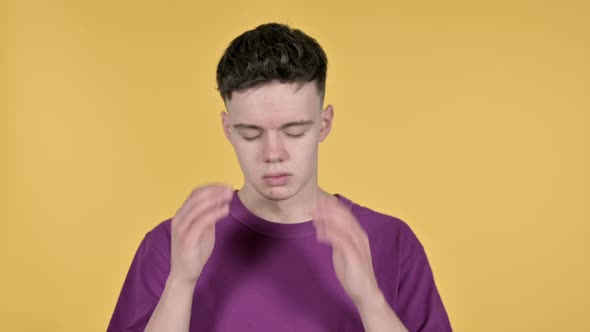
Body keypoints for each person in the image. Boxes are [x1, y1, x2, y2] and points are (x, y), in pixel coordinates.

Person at [106, 22, 452, 332]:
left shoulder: (391, 241)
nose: (273, 154)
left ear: (324, 124)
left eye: (294, 131)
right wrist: (180, 283)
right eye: (251, 134)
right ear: (228, 129)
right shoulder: (172, 243)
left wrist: (371, 301)